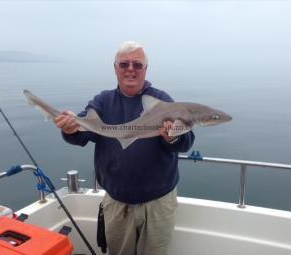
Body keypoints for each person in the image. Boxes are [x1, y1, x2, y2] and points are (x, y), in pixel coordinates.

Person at [54, 41, 195, 255]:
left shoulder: (162, 101)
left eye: (137, 65)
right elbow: (83, 135)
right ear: (115, 68)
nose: (130, 69)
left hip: (159, 203)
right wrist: (71, 128)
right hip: (117, 202)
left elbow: (186, 141)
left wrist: (172, 138)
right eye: (124, 64)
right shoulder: (103, 101)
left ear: (145, 69)